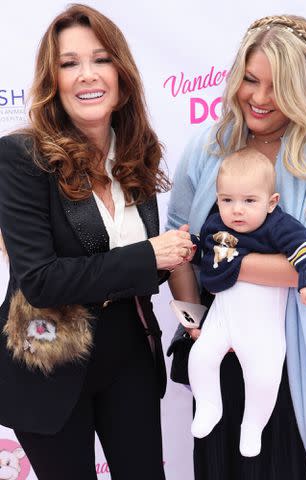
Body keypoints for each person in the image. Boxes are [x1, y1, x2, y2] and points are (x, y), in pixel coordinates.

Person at [0, 4, 193, 480]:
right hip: (47, 358)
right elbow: (41, 281)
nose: (87, 74)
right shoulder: (21, 157)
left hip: (128, 352)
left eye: (100, 58)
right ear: (53, 78)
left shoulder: (136, 154)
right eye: (69, 63)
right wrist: (150, 254)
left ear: (121, 73)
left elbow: (148, 267)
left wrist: (194, 295)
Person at [167, 14, 306, 480]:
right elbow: (179, 237)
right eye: (250, 80)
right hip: (219, 345)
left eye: (277, 87)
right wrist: (195, 318)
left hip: (296, 357)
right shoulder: (210, 143)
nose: (258, 97)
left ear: (305, 88)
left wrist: (226, 261)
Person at [188, 148, 306, 457]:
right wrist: (191, 249)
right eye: (227, 200)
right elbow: (210, 257)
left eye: (249, 201)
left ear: (271, 201)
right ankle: (209, 404)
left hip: (262, 326)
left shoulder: (278, 227)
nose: (237, 210)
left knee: (264, 377)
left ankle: (253, 425)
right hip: (222, 316)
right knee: (200, 358)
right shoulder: (215, 225)